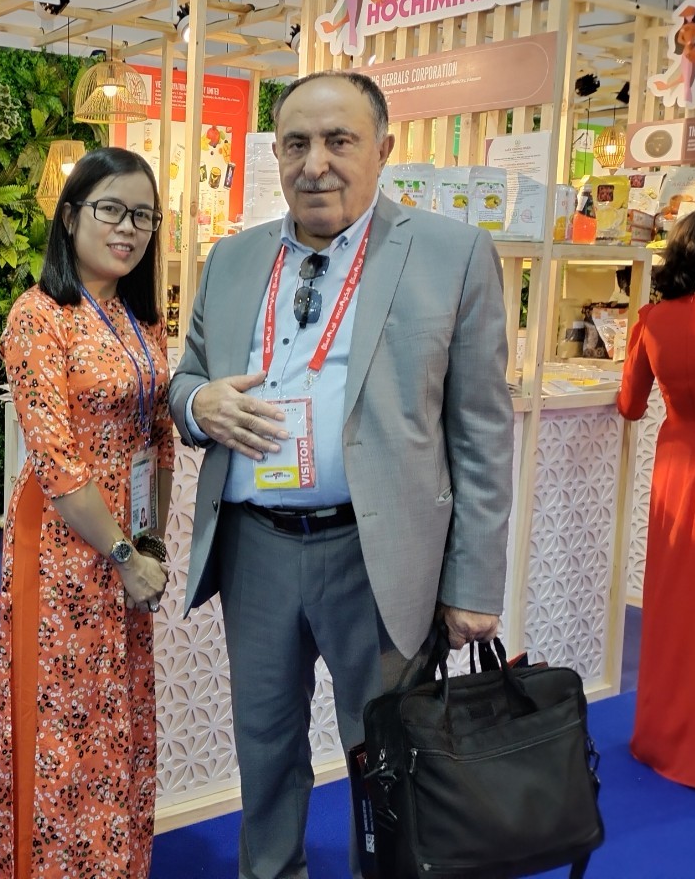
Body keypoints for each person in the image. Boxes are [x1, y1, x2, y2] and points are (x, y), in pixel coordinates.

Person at [169, 71, 514, 879]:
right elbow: (184, 379)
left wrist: (475, 582)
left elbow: (481, 431)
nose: (315, 163)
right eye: (296, 143)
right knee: (264, 745)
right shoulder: (232, 259)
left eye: (339, 140)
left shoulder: (451, 253)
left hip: (379, 555)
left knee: (390, 753)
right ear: (276, 154)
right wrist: (200, 406)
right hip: (255, 550)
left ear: (384, 150)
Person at [0, 146, 175, 878]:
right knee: (64, 721)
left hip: (129, 549)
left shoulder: (139, 318)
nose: (126, 228)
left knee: (117, 715)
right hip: (69, 550)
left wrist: (152, 540)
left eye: (142, 215)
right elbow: (57, 460)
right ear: (70, 217)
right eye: (110, 209)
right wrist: (127, 557)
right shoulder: (39, 317)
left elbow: (159, 435)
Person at [617, 208, 695, 789]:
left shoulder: (652, 320)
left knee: (676, 609)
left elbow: (629, 405)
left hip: (681, 474)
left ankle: (669, 736)